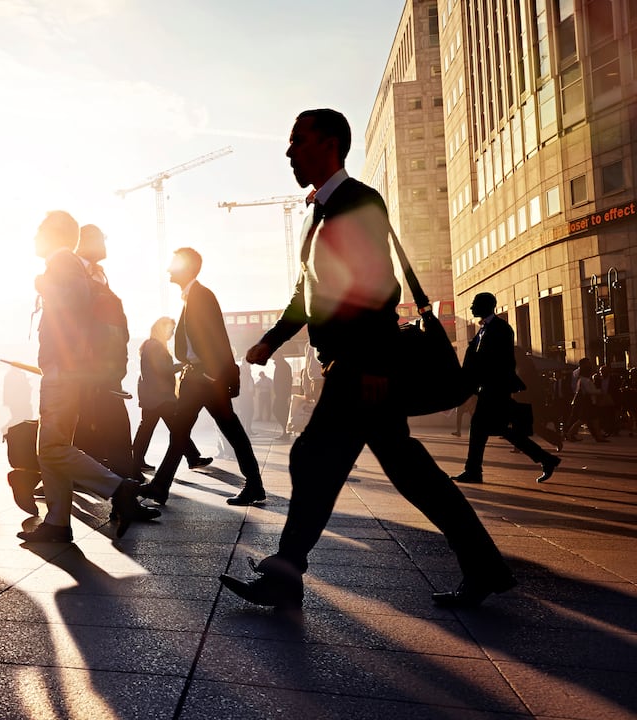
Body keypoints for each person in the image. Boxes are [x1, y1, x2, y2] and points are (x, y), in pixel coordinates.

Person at [223, 108, 514, 610]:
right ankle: (484, 567)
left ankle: (286, 573)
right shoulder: (319, 213)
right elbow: (305, 295)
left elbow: (380, 287)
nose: (290, 151)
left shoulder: (358, 201)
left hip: (362, 366)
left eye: (299, 140)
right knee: (406, 471)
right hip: (352, 365)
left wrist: (377, 364)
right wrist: (272, 340)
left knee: (314, 458)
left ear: (330, 143)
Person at [16, 210, 158, 544]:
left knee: (50, 448)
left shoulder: (62, 262)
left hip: (63, 371)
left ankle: (118, 488)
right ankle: (57, 522)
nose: (34, 237)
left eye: (39, 230)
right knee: (53, 447)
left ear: (54, 234)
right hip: (67, 370)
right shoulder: (69, 264)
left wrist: (43, 285)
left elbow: (74, 308)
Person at [139, 248, 266, 507]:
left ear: (186, 268)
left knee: (225, 430)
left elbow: (217, 336)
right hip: (198, 378)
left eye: (173, 264)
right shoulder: (191, 297)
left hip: (205, 380)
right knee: (186, 431)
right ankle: (161, 487)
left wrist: (211, 375)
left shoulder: (201, 296)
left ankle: (253, 484)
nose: (168, 269)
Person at [451, 292, 561, 485]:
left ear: (486, 306)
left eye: (475, 304)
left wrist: (479, 380)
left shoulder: (501, 329)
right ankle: (546, 459)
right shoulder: (485, 329)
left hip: (495, 388)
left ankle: (473, 471)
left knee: (480, 427)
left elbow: (499, 361)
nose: (471, 308)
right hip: (490, 387)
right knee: (497, 429)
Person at [70, 224, 138, 480]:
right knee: (90, 422)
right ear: (87, 240)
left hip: (106, 366)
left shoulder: (99, 273)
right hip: (88, 366)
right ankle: (121, 478)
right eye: (102, 240)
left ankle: (121, 477)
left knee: (101, 422)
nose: (105, 245)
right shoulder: (75, 270)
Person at [132, 316, 211, 474]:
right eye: (171, 329)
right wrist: (183, 364)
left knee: (149, 428)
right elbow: (162, 369)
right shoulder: (155, 346)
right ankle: (192, 458)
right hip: (160, 397)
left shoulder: (150, 345)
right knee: (176, 428)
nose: (172, 333)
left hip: (153, 396)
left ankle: (136, 461)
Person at [566, 357, 608, 442]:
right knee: (583, 420)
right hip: (587, 402)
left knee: (593, 419)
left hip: (587, 402)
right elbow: (590, 391)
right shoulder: (585, 380)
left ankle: (599, 436)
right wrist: (600, 391)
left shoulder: (582, 379)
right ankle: (569, 434)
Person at [272, 357, 294, 439]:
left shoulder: (283, 366)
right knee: (282, 412)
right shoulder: (282, 365)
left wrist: (284, 394)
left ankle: (286, 431)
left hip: (282, 394)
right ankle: (286, 431)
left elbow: (287, 381)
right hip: (281, 394)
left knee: (277, 410)